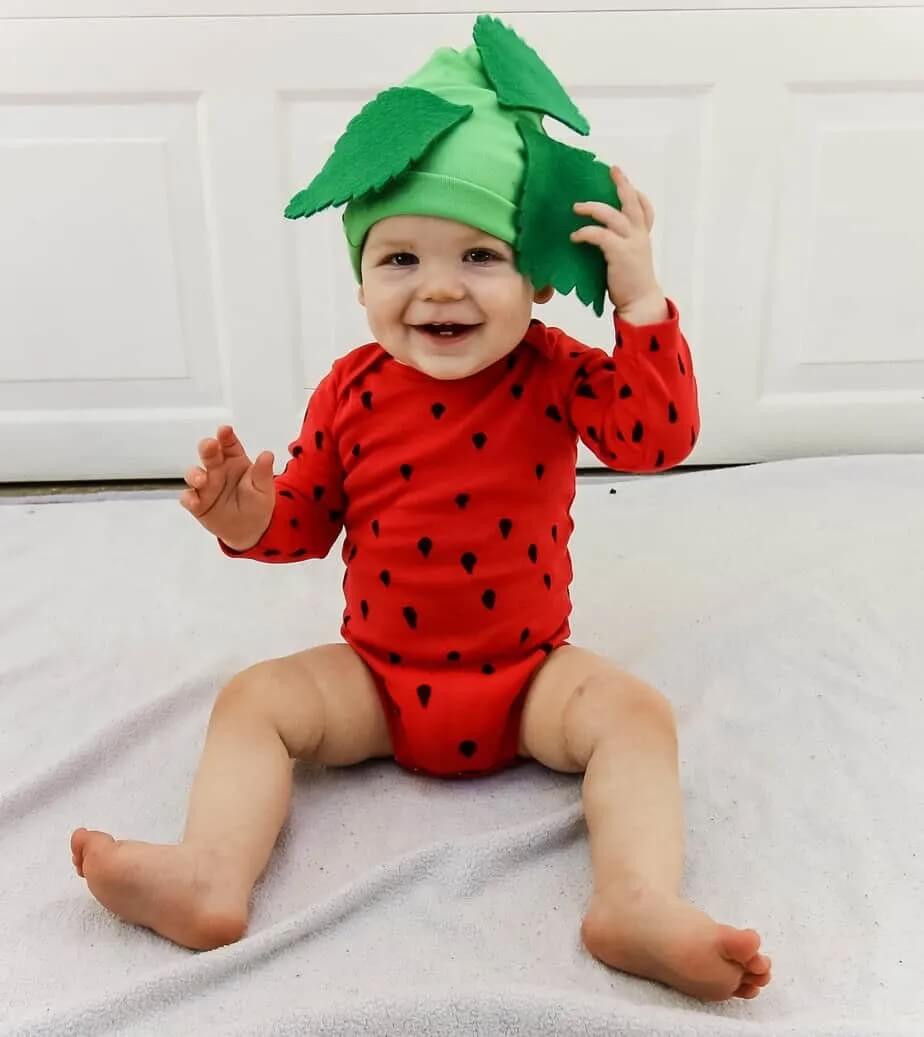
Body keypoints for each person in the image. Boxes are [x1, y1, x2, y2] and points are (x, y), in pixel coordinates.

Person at [71, 16, 771, 1002]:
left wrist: (640, 299)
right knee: (255, 699)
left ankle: (635, 897)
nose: (437, 286)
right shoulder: (351, 390)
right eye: (398, 258)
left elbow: (656, 438)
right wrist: (245, 513)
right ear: (360, 276)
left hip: (530, 681)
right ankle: (210, 871)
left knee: (637, 716)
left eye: (479, 255)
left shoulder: (559, 371)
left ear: (534, 272)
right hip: (379, 680)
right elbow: (304, 521)